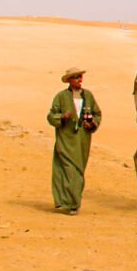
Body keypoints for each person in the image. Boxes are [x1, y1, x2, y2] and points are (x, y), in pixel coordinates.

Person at [47, 67, 101, 215]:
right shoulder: (61, 97)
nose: (79, 80)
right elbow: (51, 116)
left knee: (78, 170)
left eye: (80, 77)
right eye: (76, 77)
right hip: (66, 138)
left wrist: (92, 124)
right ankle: (69, 203)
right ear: (70, 80)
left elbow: (97, 114)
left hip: (82, 139)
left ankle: (71, 203)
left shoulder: (88, 96)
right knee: (67, 170)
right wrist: (62, 117)